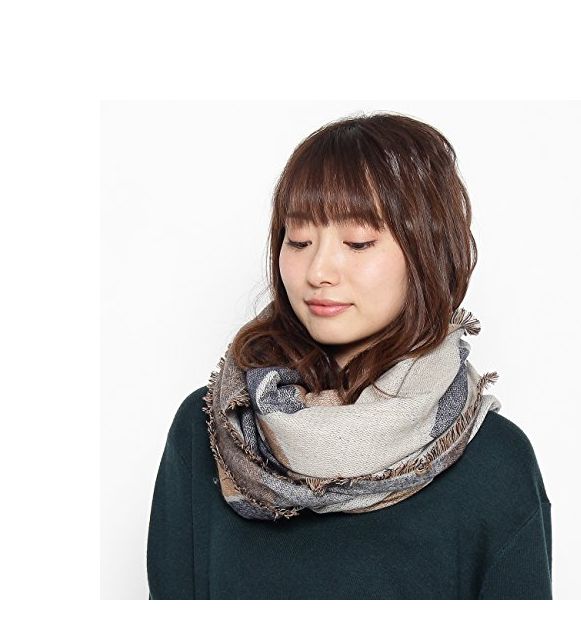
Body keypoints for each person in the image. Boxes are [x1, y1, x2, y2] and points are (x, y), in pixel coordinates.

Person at [146, 111, 552, 599]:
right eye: (298, 239)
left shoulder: (494, 465)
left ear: (428, 250)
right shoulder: (211, 430)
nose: (318, 270)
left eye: (358, 242)